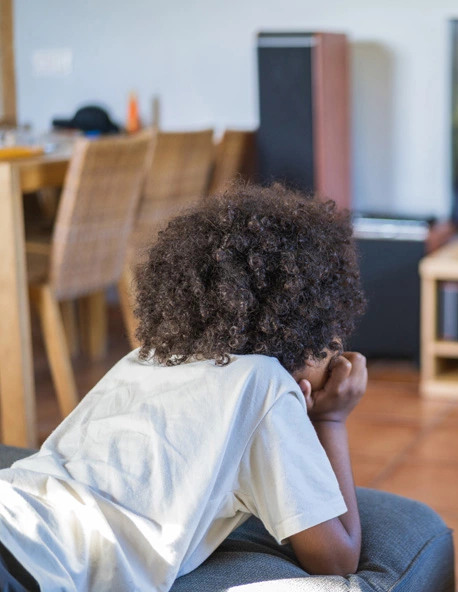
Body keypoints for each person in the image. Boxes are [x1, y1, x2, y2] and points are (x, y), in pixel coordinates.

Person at [0, 184, 368, 591]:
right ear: (302, 333)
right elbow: (337, 557)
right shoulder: (265, 384)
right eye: (330, 343)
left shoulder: (146, 357)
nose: (336, 359)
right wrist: (331, 419)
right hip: (35, 562)